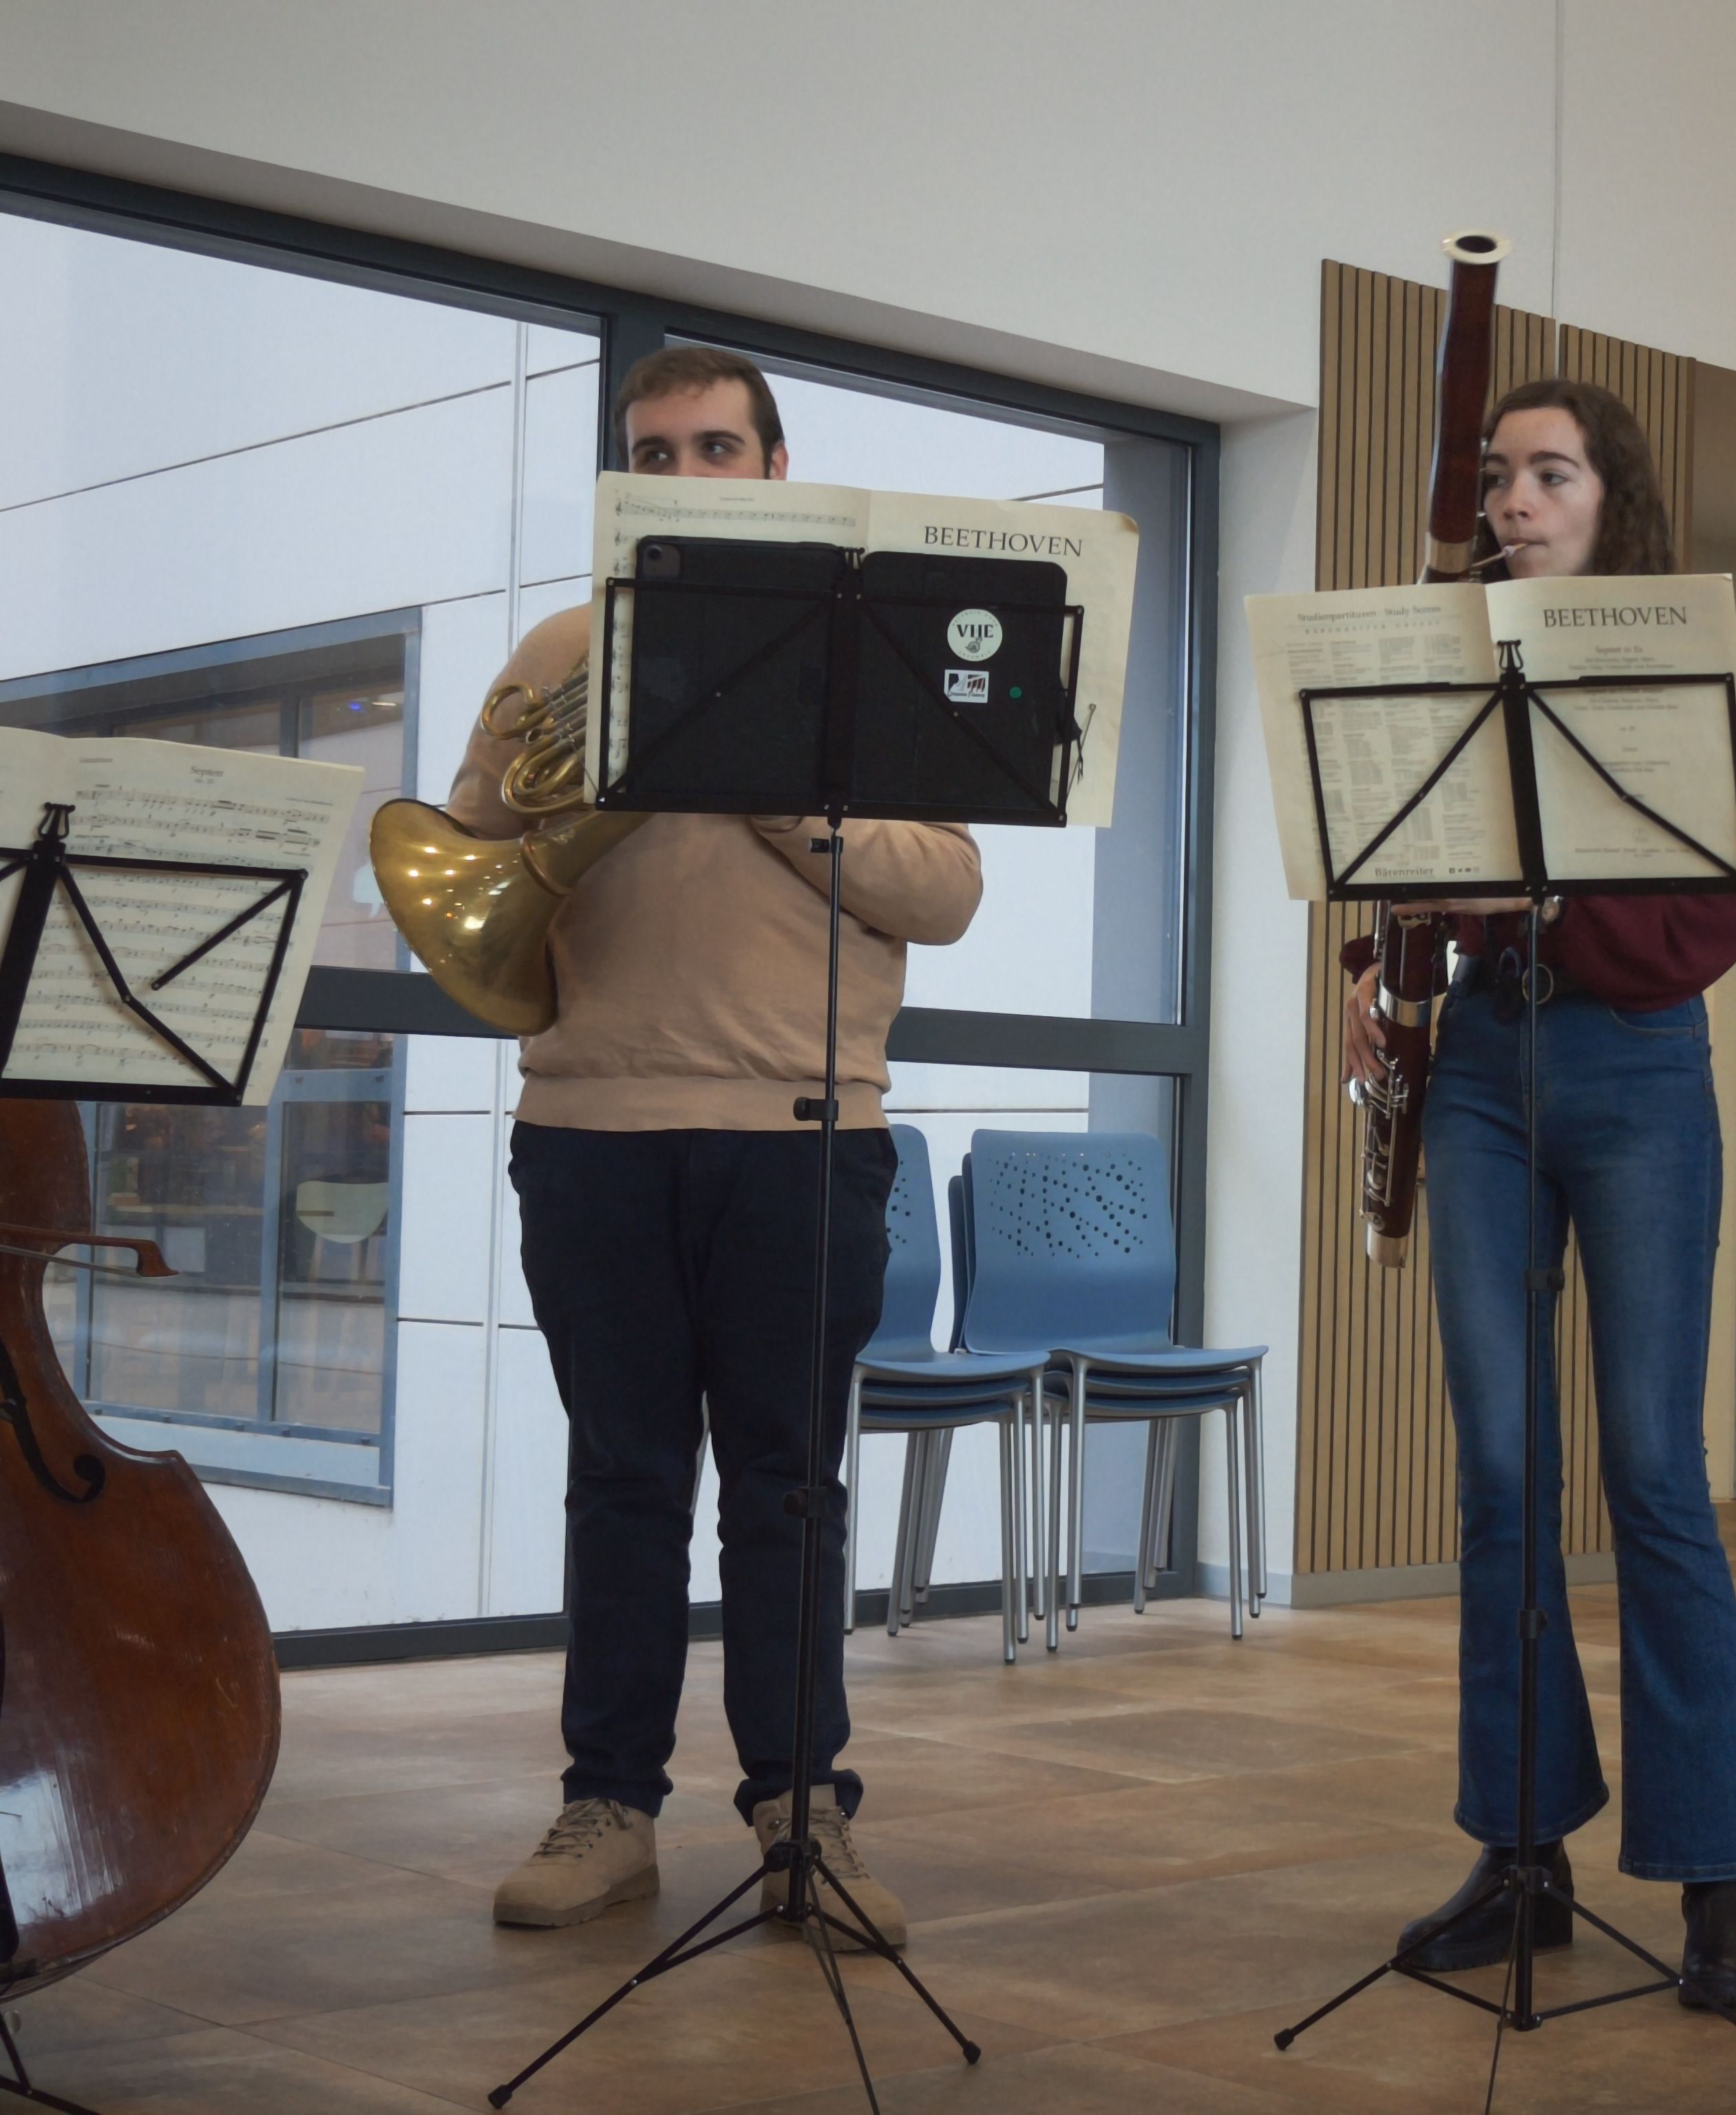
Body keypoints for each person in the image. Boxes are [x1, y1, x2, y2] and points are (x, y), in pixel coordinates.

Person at [475, 347, 984, 1949]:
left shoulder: (865, 656)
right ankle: (609, 1802)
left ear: (773, 467)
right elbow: (477, 878)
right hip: (590, 1126)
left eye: (715, 446)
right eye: (652, 452)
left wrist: (776, 784)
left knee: (787, 1490)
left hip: (801, 1128)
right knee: (622, 1476)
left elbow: (945, 889)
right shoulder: (560, 650)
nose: (685, 471)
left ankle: (799, 1807)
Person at [1340, 378, 1736, 2010]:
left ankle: (1721, 1867)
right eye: (1500, 476)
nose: (1516, 499)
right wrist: (1369, 955)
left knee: (1654, 1469)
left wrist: (1523, 895)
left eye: (1551, 473)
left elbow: (1707, 922)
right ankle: (1522, 1850)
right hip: (1481, 1070)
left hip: (1638, 1067)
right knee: (1501, 1473)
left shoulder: (1678, 675)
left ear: (1613, 504)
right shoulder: (1439, 666)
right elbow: (1386, 846)